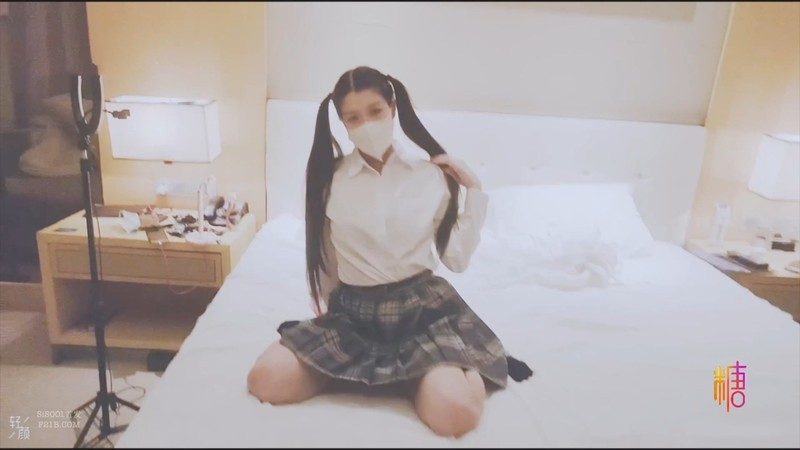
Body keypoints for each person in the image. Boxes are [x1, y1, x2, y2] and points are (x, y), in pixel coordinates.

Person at [247, 66, 530, 438]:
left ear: (393, 108)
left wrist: (473, 190)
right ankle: (401, 375)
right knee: (265, 380)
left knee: (457, 415)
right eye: (353, 117)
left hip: (422, 313)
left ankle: (455, 368)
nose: (366, 124)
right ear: (342, 123)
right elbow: (328, 259)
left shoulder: (430, 176)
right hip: (355, 314)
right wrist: (325, 323)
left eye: (375, 111)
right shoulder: (328, 181)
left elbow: (456, 259)